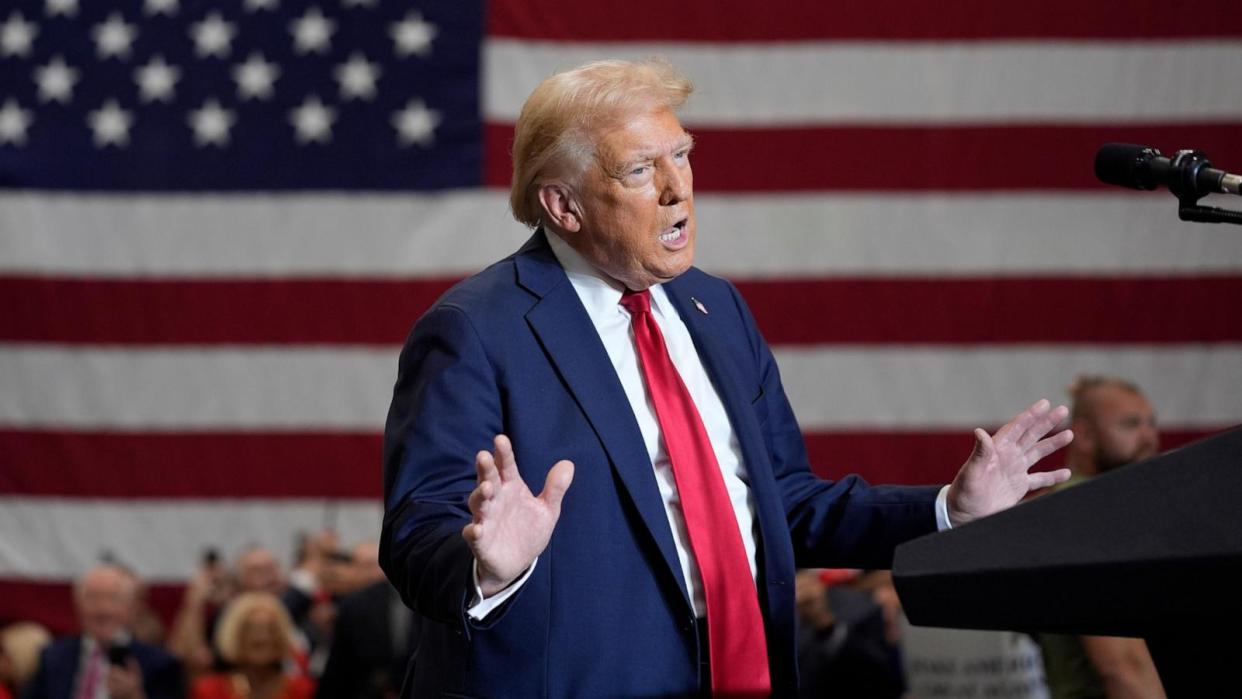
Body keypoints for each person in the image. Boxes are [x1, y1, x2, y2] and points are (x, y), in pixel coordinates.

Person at [379, 58, 1073, 697]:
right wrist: (487, 568)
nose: (679, 189)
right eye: (641, 171)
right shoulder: (476, 329)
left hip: (743, 673)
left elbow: (787, 503)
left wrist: (949, 510)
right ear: (564, 206)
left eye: (681, 154)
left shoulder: (715, 309)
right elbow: (418, 532)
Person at [1037, 376, 1165, 699]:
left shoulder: (1095, 508)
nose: (1149, 437)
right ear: (1085, 435)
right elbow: (1123, 667)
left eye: (1151, 423)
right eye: (1131, 425)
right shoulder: (1085, 512)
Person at [23, 565, 183, 699]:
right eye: (92, 598)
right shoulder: (52, 657)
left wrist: (135, 696)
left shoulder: (160, 663)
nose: (102, 609)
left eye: (113, 599)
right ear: (78, 605)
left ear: (132, 607)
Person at [189, 593, 313, 699]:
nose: (262, 638)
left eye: (271, 629)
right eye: (250, 629)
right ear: (234, 635)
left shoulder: (304, 690)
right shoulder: (209, 691)